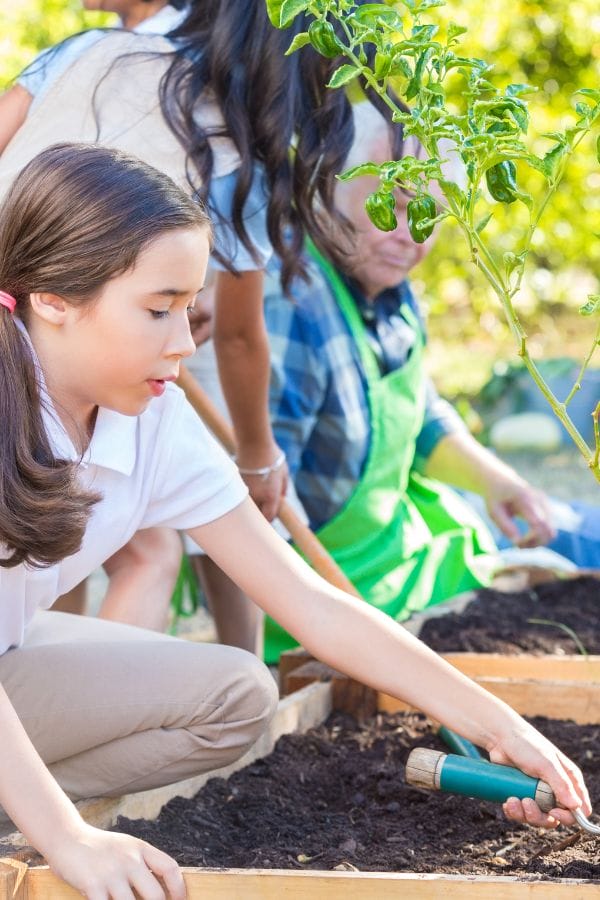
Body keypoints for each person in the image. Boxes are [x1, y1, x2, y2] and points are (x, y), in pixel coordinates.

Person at [0, 143, 591, 897]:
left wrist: (501, 726)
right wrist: (68, 838)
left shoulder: (151, 418)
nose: (184, 342)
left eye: (189, 308)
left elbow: (308, 600)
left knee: (240, 696)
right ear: (52, 298)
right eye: (158, 309)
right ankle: (32, 808)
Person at [0, 0, 371, 625]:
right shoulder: (239, 137)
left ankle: (44, 668)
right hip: (44, 326)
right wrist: (257, 454)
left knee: (62, 533)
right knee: (127, 542)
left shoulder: (87, 51)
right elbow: (238, 336)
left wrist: (154, 310)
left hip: (37, 311)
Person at [258, 102, 600, 662]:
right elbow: (259, 501)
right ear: (325, 187)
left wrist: (498, 483)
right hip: (347, 605)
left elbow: (416, 414)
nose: (412, 237)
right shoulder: (295, 302)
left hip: (416, 551)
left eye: (432, 217)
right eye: (390, 205)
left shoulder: (389, 289)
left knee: (583, 530)